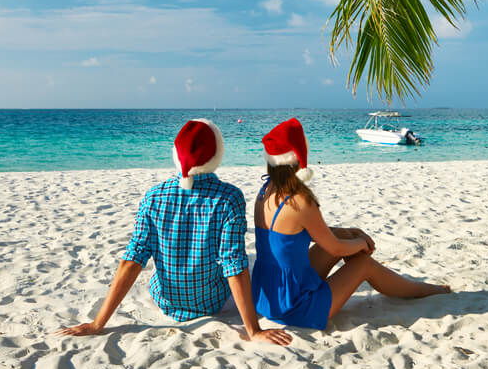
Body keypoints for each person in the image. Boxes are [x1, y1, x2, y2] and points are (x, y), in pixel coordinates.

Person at [57, 119, 291, 345]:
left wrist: (99, 323)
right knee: (246, 261)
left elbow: (133, 259)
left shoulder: (153, 196)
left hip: (166, 301)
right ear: (217, 155)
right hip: (211, 303)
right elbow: (233, 264)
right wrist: (253, 330)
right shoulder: (229, 198)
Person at [251, 118, 450, 330]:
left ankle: (393, 281)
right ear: (299, 157)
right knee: (364, 264)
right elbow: (334, 248)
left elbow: (292, 234)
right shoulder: (300, 200)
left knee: (345, 237)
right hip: (295, 307)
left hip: (268, 296)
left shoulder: (266, 190)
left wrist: (349, 233)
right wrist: (361, 244)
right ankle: (421, 289)